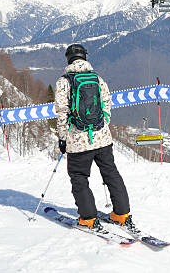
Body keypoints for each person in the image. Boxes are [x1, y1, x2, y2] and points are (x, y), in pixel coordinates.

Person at [55, 43, 133, 231]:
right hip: (102, 139)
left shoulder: (63, 82)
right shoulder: (98, 79)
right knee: (111, 173)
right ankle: (121, 214)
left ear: (68, 59)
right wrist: (102, 125)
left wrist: (63, 138)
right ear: (85, 57)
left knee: (79, 177)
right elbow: (107, 104)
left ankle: (88, 218)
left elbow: (62, 112)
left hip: (77, 141)